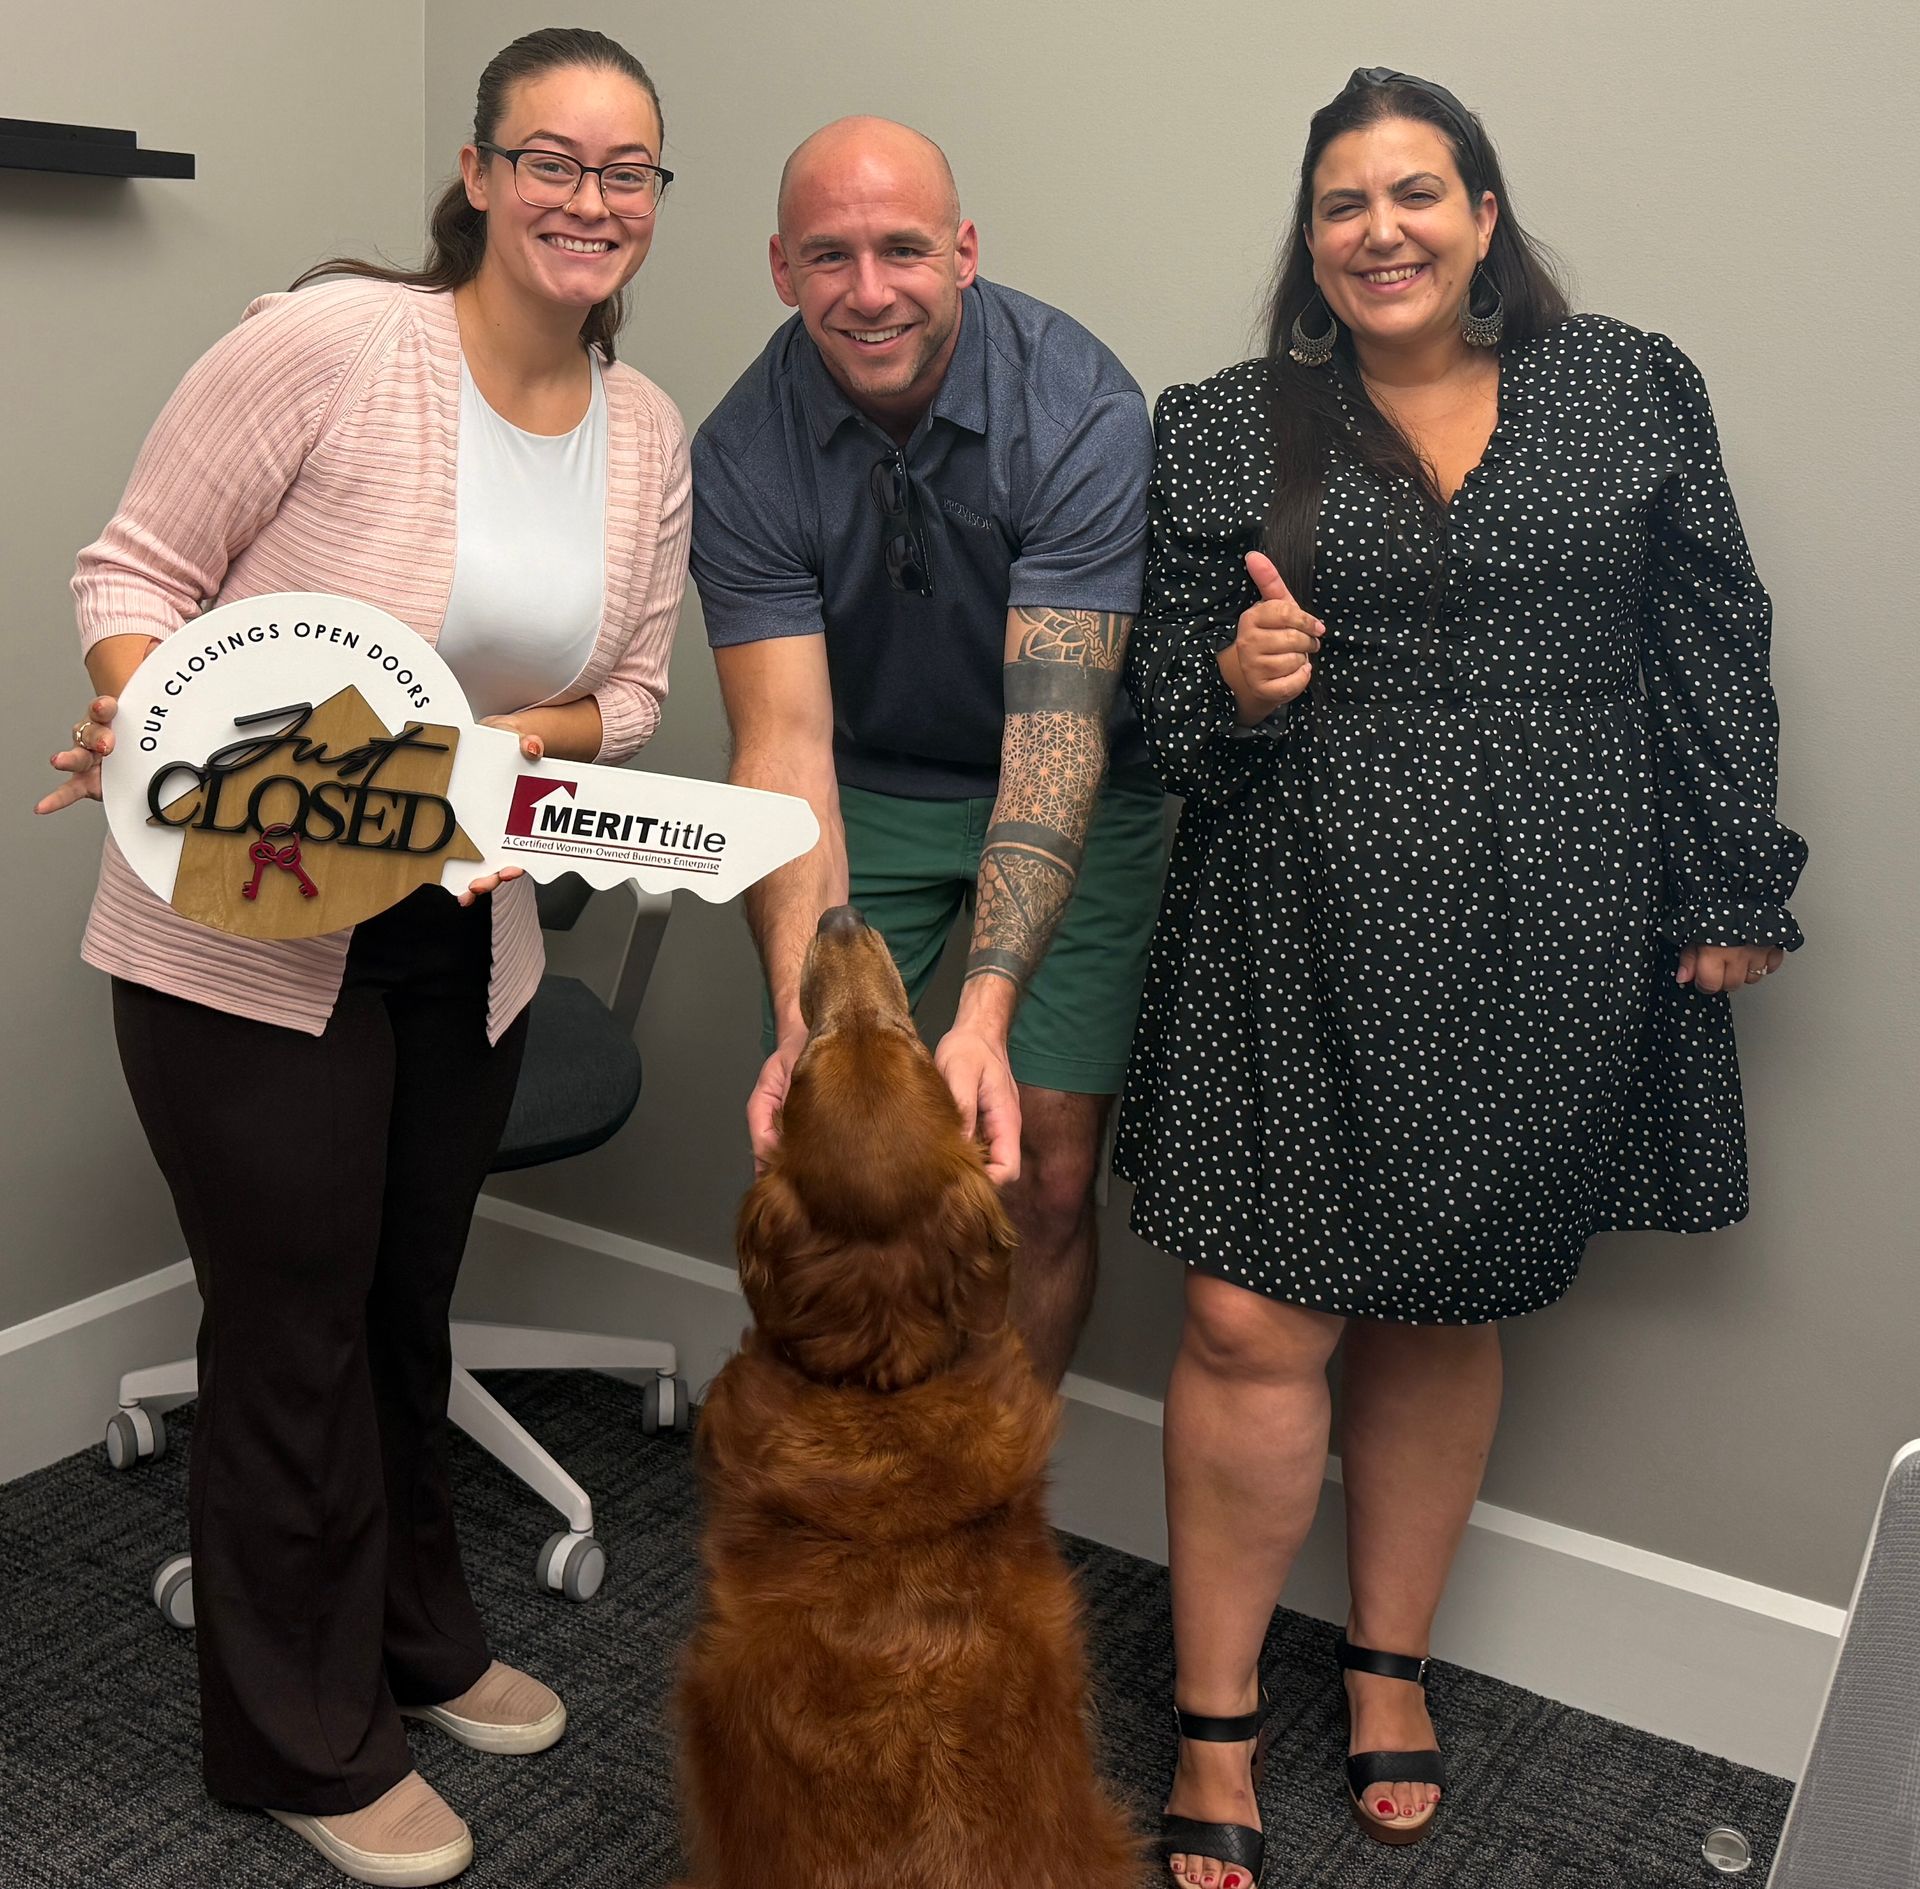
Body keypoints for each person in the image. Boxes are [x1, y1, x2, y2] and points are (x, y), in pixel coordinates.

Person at [1115, 68, 1806, 1887]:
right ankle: (1212, 1709)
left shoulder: (1628, 385)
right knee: (1250, 1314)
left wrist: (1735, 867)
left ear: (1485, 216)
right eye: (1344, 203)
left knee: (1447, 1293)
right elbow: (1155, 711)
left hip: (1559, 902)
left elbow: (1711, 626)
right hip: (1298, 908)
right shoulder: (1219, 427)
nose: (1382, 229)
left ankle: (1391, 1658)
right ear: (1311, 240)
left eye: (1418, 193)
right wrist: (1239, 684)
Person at [35, 28, 689, 1884]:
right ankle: (303, 1738)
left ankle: (413, 1631)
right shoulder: (334, 342)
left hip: (464, 931)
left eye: (628, 169)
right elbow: (132, 573)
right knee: (296, 1323)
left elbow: (628, 692)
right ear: (478, 173)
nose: (590, 196)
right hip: (247, 930)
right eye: (551, 157)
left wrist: (477, 754)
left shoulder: (641, 430)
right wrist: (171, 725)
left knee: (405, 1298)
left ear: (656, 203)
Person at [692, 116, 1161, 1387]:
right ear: (783, 271)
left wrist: (988, 1011)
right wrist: (804, 1026)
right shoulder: (742, 450)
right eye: (828, 256)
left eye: (903, 249)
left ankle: (986, 1487)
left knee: (1048, 1169)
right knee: (833, 1144)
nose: (869, 290)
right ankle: (853, 1470)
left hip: (1075, 785)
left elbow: (1055, 736)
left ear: (961, 251)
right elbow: (784, 743)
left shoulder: (1081, 409)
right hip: (869, 784)